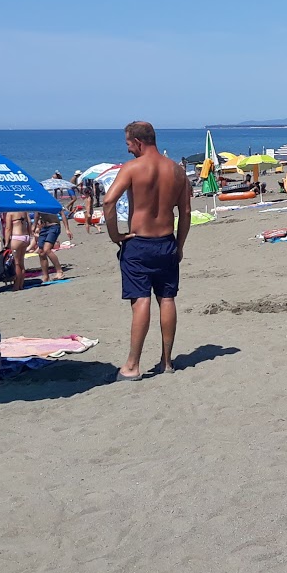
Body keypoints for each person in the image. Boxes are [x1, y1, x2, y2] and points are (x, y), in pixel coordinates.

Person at [102, 121, 190, 381]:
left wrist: (114, 235)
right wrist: (180, 245)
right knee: (167, 298)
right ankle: (167, 362)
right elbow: (184, 212)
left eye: (129, 144)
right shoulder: (177, 170)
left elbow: (108, 201)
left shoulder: (132, 168)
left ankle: (132, 366)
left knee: (141, 300)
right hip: (166, 242)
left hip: (139, 243)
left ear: (138, 142)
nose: (128, 150)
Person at [1, 208, 32, 291]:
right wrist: (30, 236)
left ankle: (16, 286)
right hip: (25, 237)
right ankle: (21, 285)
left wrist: (6, 243)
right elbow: (29, 223)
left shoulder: (10, 213)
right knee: (21, 262)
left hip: (17, 237)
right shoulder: (24, 211)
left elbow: (8, 229)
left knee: (17, 264)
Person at [34, 210, 63, 280]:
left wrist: (67, 229)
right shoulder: (38, 203)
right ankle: (46, 276)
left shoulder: (50, 201)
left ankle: (59, 271)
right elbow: (37, 215)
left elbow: (62, 214)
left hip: (54, 226)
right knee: (41, 252)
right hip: (44, 228)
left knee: (47, 250)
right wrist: (34, 226)